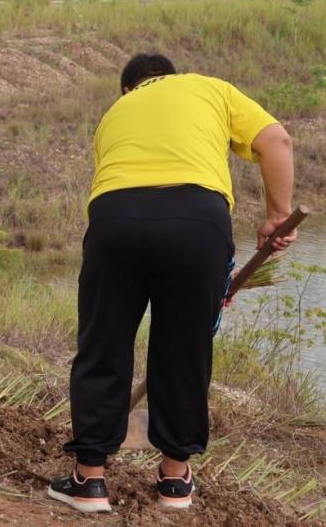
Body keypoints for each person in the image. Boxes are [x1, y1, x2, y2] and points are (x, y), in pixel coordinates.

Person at [48, 53, 296, 513]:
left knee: (104, 343)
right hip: (196, 221)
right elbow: (277, 141)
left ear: (128, 89)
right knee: (184, 348)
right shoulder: (209, 88)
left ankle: (89, 481)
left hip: (115, 219)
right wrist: (278, 216)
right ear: (172, 77)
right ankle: (175, 480)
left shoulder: (113, 115)